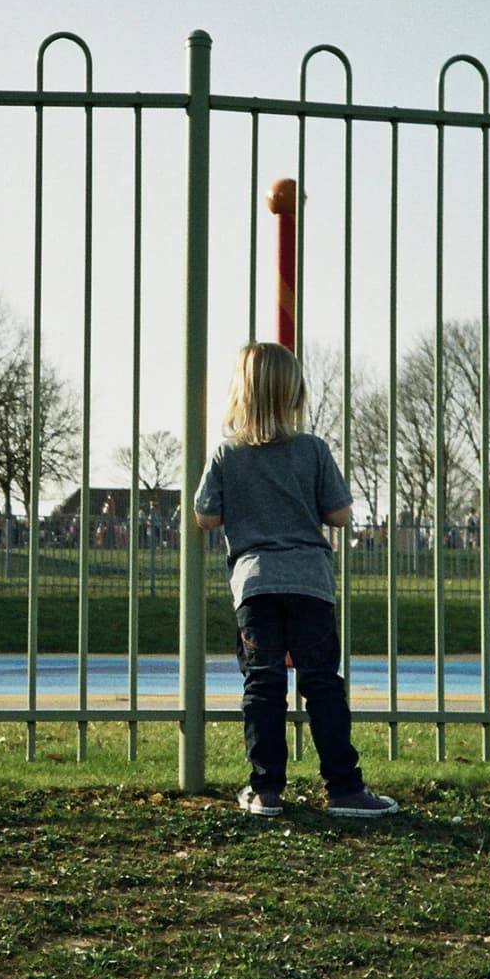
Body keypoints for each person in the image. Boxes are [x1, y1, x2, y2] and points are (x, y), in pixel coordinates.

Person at [192, 342, 400, 819]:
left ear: (240, 394)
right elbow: (340, 514)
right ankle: (345, 788)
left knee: (263, 683)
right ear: (295, 393)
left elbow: (206, 515)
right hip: (310, 583)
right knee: (322, 681)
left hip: (256, 583)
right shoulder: (313, 450)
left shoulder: (228, 454)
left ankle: (266, 789)